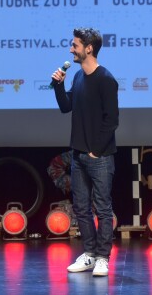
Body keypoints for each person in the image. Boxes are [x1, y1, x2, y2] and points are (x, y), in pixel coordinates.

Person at [51, 27, 119, 277]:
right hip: (78, 155)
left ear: (88, 48)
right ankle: (89, 254)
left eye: (75, 45)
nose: (71, 49)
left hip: (98, 157)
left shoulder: (105, 79)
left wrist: (95, 151)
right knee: (81, 207)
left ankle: (103, 257)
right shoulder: (78, 77)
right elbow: (65, 107)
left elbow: (112, 120)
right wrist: (59, 86)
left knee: (102, 208)